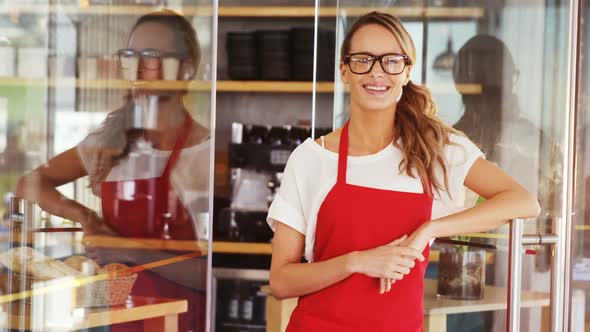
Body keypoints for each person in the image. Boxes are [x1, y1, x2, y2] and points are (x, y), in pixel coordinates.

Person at [266, 11, 540, 332]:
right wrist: (357, 261)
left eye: (391, 61)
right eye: (363, 60)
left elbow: (522, 201)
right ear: (345, 70)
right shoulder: (312, 159)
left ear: (407, 71)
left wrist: (428, 230)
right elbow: (281, 281)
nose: (377, 72)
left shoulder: (435, 150)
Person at [16, 10, 210, 332]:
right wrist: (86, 218)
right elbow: (31, 182)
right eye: (130, 55)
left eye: (152, 55)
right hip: (117, 318)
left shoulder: (207, 153)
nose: (138, 67)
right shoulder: (110, 142)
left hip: (181, 321)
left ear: (186, 67)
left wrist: (127, 249)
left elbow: (209, 274)